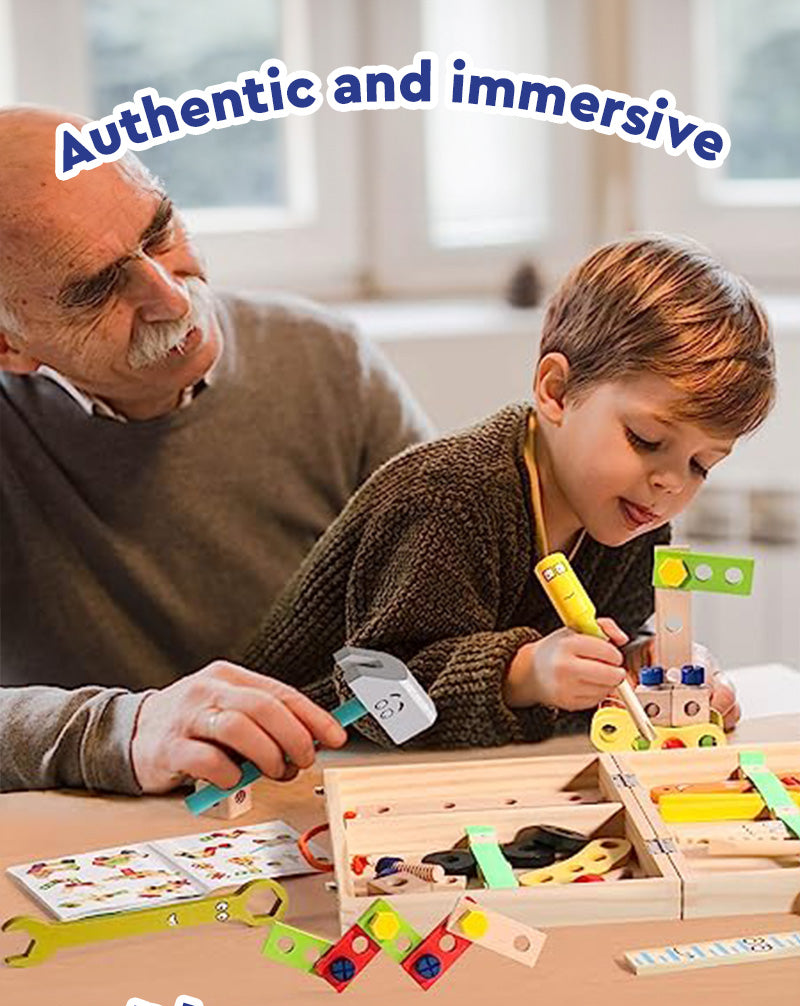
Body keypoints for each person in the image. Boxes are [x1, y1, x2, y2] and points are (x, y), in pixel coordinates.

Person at [0, 106, 432, 792]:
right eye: (98, 289)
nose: (170, 297)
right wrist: (125, 731)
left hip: (332, 803)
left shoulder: (328, 362)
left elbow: (455, 600)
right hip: (107, 847)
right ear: (9, 345)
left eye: (160, 231)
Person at [241, 234, 775, 746]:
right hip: (280, 763)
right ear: (557, 392)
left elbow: (598, 648)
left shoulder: (632, 518)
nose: (671, 483)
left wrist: (637, 665)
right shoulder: (449, 498)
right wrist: (522, 675)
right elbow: (376, 692)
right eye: (646, 439)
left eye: (702, 465)